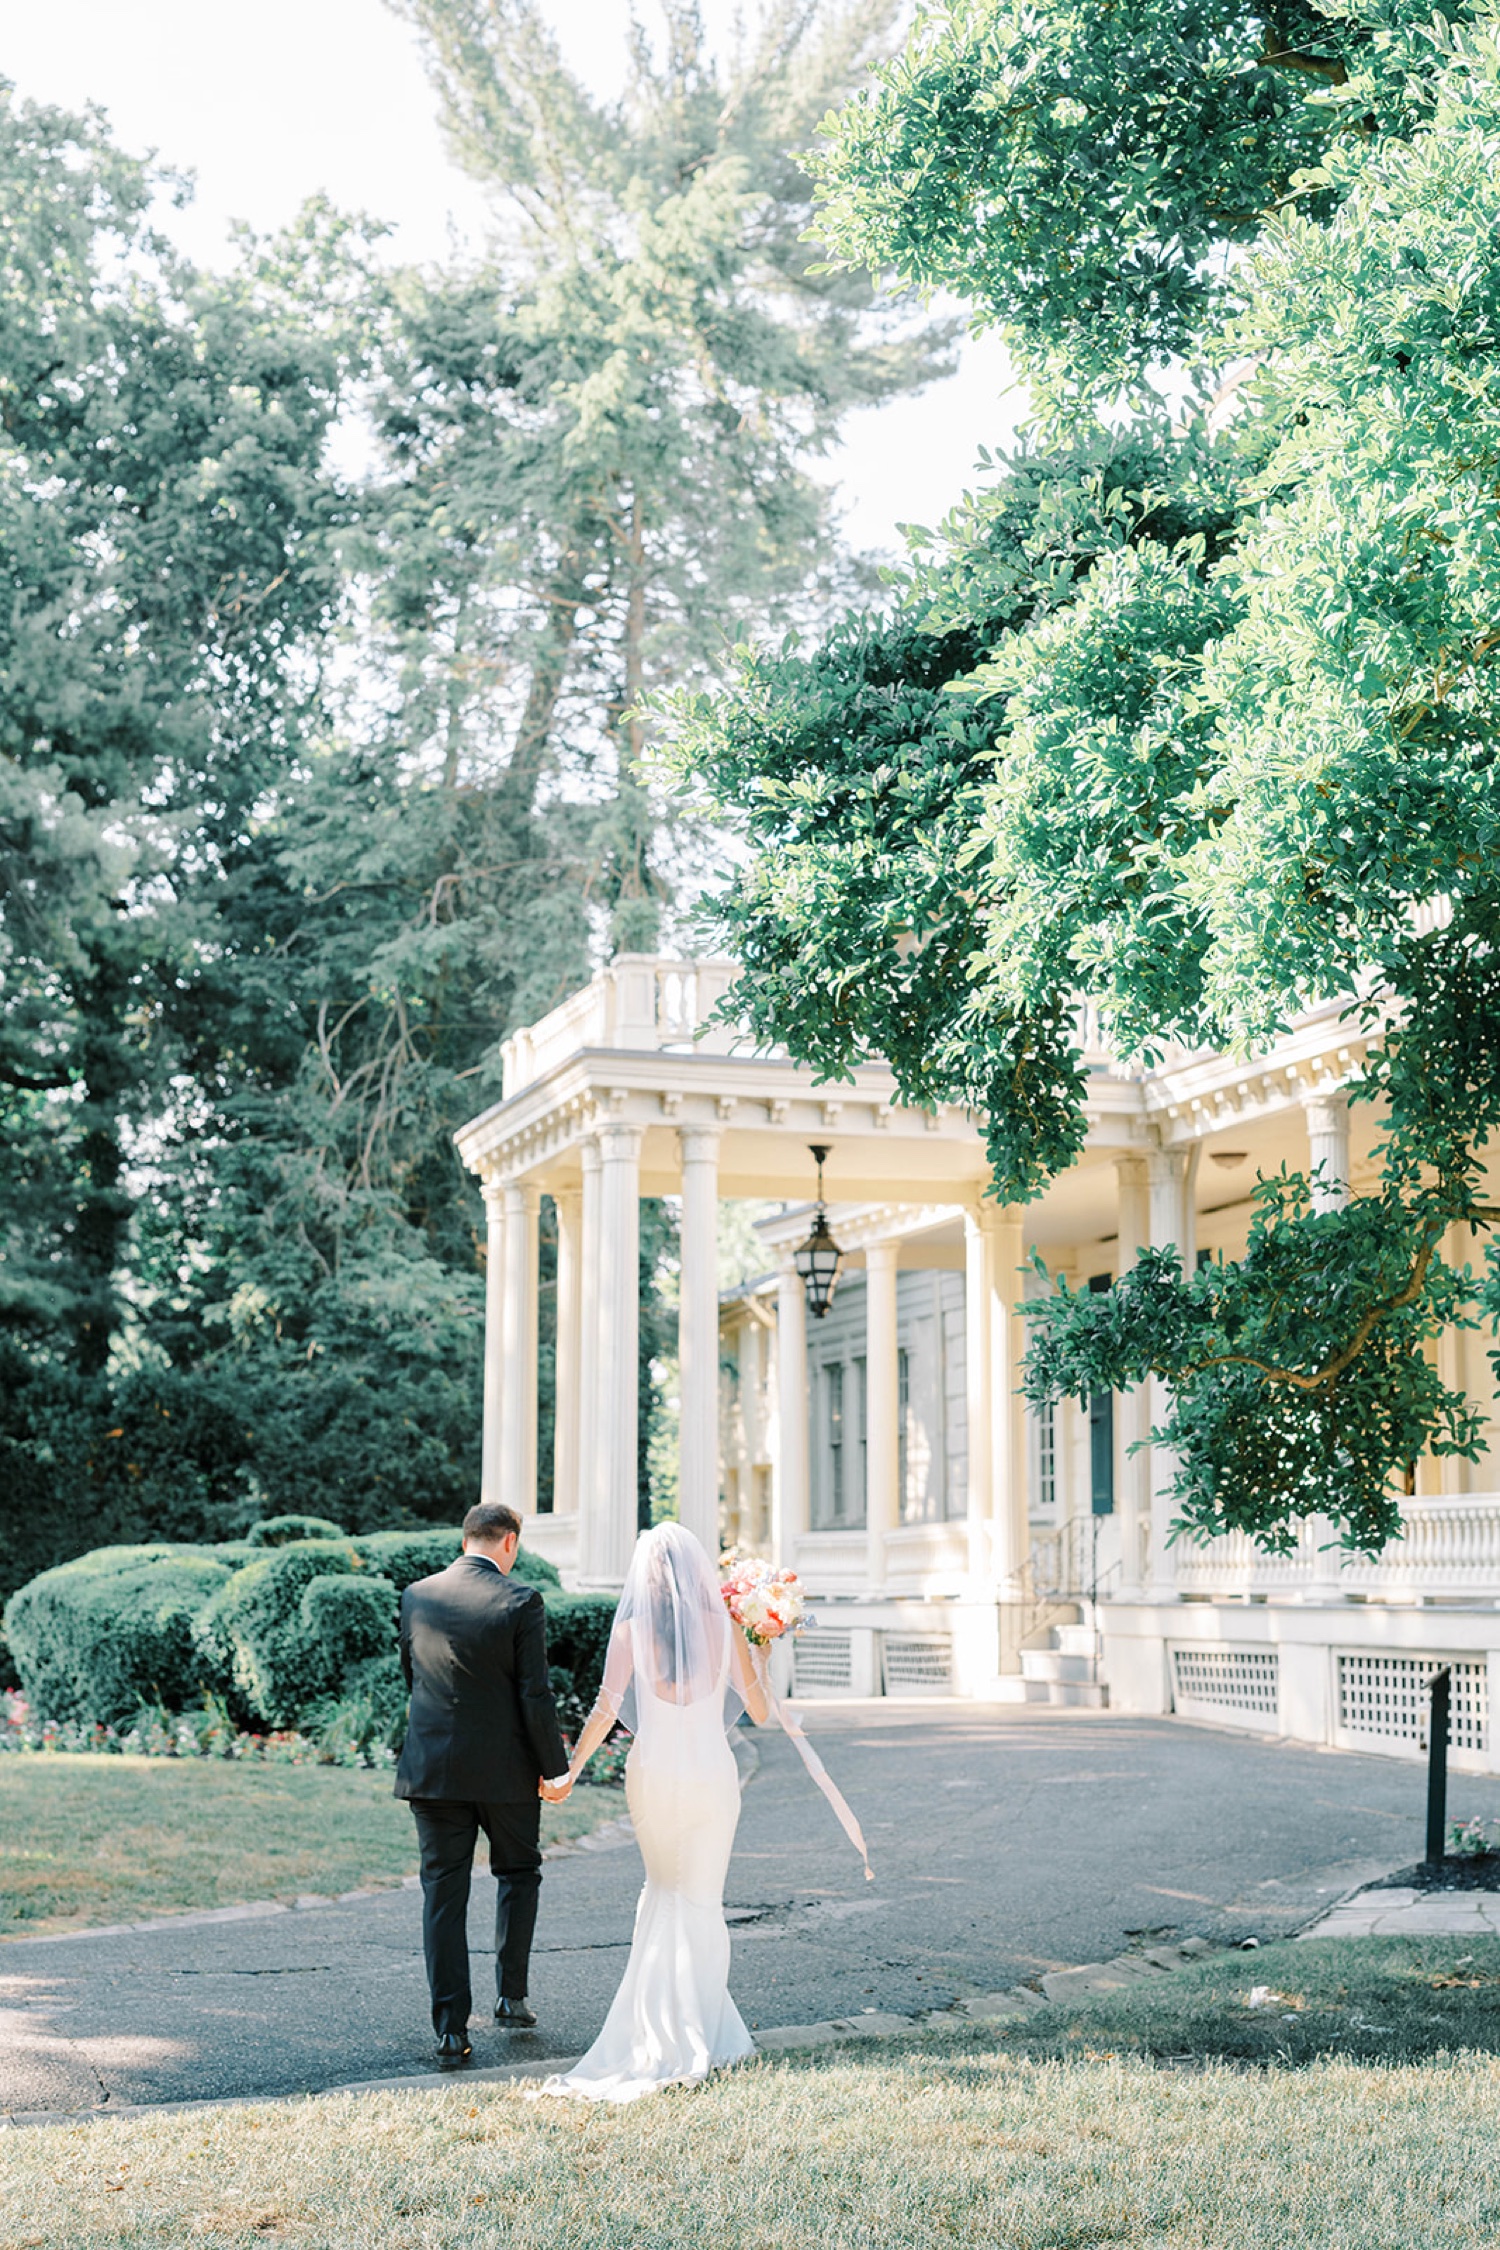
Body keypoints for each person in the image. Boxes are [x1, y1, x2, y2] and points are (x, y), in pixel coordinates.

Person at [531, 1520, 769, 2104]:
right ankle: (705, 2034)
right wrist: (761, 1646)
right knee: (701, 1900)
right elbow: (760, 1711)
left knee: (664, 1891)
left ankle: (664, 2029)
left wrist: (570, 1772)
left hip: (654, 1775)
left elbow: (606, 1710)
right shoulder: (727, 1629)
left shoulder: (631, 1631)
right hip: (712, 1776)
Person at [394, 1499, 571, 2070]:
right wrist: (555, 1767)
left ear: (466, 1538)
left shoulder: (417, 1595)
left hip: (434, 1770)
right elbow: (533, 1694)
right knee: (518, 1873)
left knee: (443, 1894)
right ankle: (511, 1997)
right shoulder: (522, 1600)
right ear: (509, 1543)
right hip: (505, 1774)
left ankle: (450, 2031)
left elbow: (413, 1675)